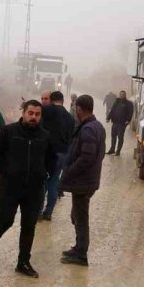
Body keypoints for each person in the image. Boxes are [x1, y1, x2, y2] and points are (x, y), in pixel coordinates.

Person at [0, 100, 56, 278]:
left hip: (35, 188)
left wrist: (45, 173)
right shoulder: (9, 132)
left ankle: (23, 262)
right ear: (23, 112)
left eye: (37, 114)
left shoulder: (45, 136)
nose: (33, 117)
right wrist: (6, 171)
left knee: (29, 225)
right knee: (5, 220)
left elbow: (52, 159)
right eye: (30, 113)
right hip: (10, 186)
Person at [59, 95, 106, 266]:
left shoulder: (87, 130)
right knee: (77, 215)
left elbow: (87, 157)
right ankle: (78, 247)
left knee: (80, 218)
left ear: (79, 109)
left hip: (83, 182)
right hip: (88, 180)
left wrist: (69, 172)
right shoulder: (97, 126)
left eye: (76, 109)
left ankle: (80, 254)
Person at [39, 91, 76, 221]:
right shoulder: (70, 117)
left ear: (51, 100)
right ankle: (48, 212)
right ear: (63, 100)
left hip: (48, 152)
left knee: (42, 182)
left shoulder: (47, 110)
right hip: (63, 153)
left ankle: (38, 212)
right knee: (54, 182)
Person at [106, 90, 135, 156]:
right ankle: (112, 150)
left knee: (120, 137)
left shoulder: (128, 103)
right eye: (121, 94)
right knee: (113, 136)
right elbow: (112, 110)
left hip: (122, 124)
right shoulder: (117, 102)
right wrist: (108, 118)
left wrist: (128, 120)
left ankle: (118, 151)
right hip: (115, 122)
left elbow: (130, 112)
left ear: (125, 95)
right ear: (119, 95)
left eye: (123, 94)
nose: (122, 95)